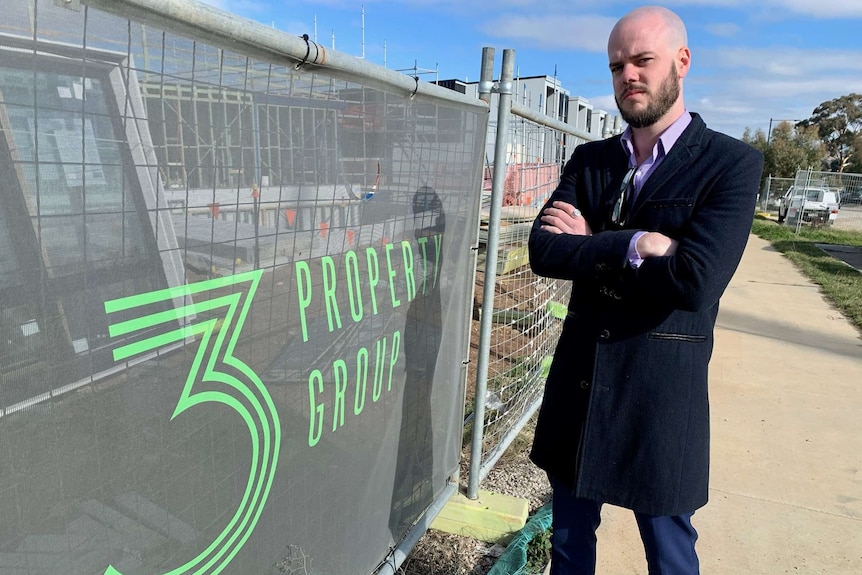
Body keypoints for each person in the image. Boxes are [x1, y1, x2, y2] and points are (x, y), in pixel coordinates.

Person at [527, 5, 763, 575]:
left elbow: (694, 280)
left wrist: (591, 243)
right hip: (581, 387)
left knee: (671, 555)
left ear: (681, 62)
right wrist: (634, 246)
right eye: (615, 66)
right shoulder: (591, 162)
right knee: (568, 548)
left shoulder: (730, 165)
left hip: (660, 399)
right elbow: (544, 252)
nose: (627, 75)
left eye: (642, 60)